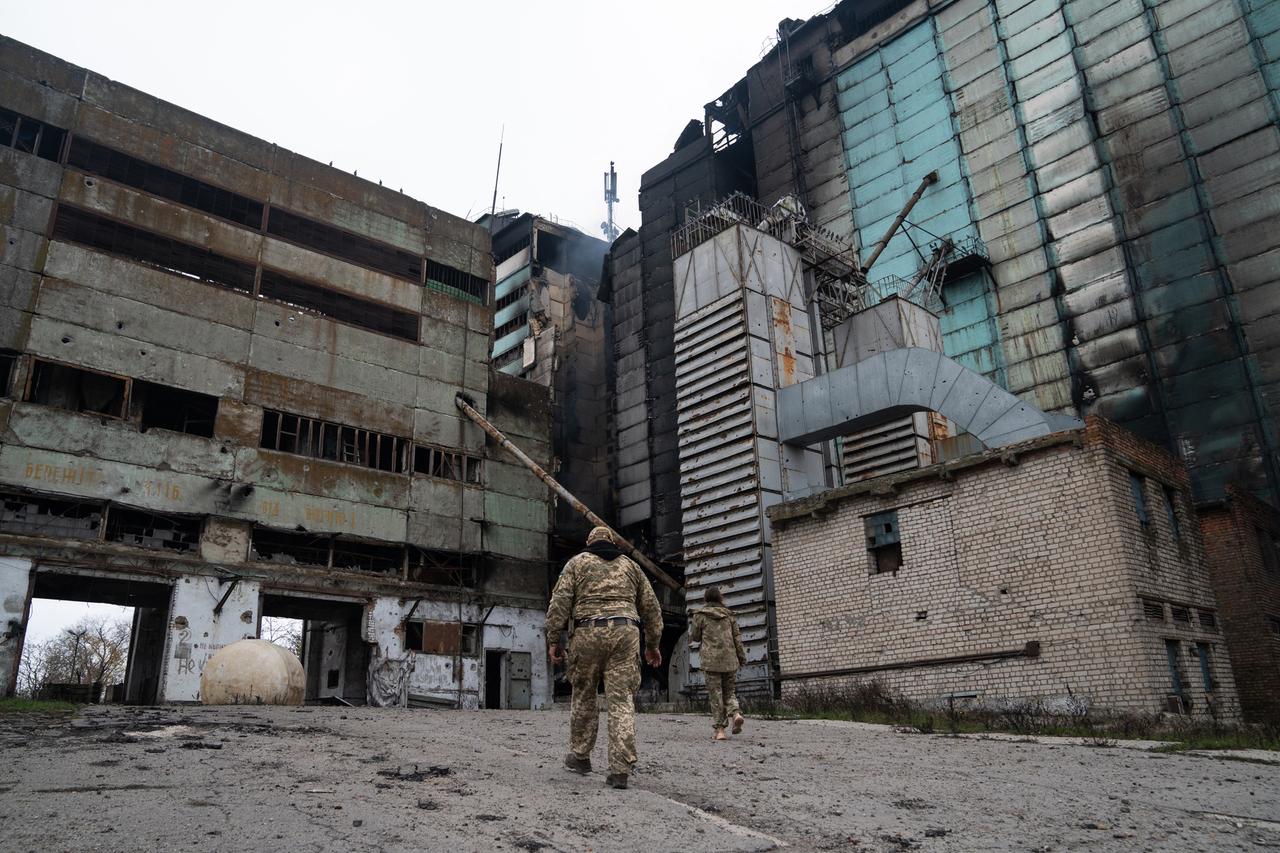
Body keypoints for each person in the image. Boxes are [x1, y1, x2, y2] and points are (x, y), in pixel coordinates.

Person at [547, 526, 663, 790]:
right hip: (625, 633)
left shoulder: (576, 564)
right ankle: (620, 769)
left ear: (589, 541)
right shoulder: (631, 567)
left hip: (587, 634)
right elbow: (652, 609)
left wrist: (554, 639)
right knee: (621, 701)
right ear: (612, 542)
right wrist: (652, 644)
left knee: (584, 695)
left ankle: (580, 757)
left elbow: (559, 603)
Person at [691, 586, 746, 741]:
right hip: (730, 660)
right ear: (721, 598)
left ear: (706, 599)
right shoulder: (729, 616)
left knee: (716, 695)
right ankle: (736, 713)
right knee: (729, 692)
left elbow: (695, 637)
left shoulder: (700, 615)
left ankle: (720, 731)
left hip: (710, 661)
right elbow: (737, 639)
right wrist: (741, 658)